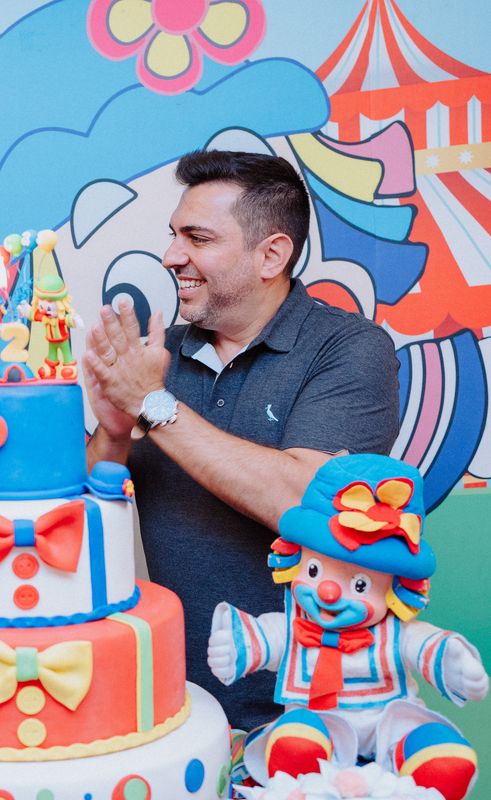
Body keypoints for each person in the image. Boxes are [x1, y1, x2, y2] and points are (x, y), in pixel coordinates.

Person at [82, 150, 401, 731]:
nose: (171, 256)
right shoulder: (159, 358)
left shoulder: (349, 349)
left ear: (272, 255)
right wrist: (113, 428)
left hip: (312, 718)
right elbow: (80, 526)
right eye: (174, 236)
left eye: (197, 238)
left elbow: (309, 501)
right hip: (181, 711)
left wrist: (152, 406)